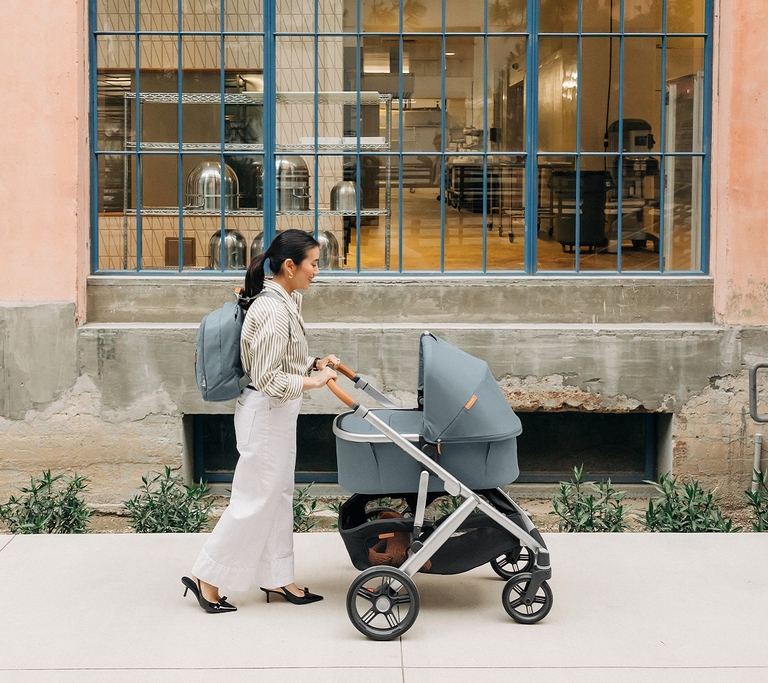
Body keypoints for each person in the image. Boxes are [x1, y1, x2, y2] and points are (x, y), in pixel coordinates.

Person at [182, 229, 339, 612]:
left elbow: (277, 361)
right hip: (266, 413)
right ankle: (208, 578)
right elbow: (268, 378)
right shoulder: (271, 309)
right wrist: (313, 381)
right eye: (313, 264)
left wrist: (312, 363)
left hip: (278, 414)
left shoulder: (286, 299)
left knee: (278, 495)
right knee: (254, 500)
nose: (317, 271)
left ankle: (277, 577)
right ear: (290, 266)